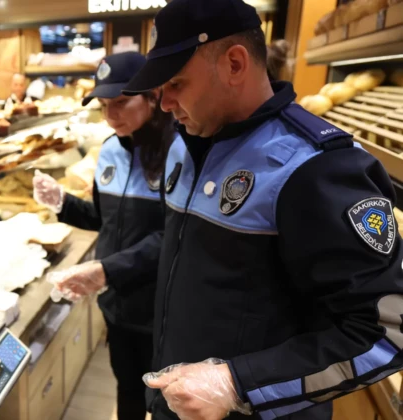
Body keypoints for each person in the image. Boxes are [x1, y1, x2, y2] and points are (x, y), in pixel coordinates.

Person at [118, 0, 403, 419]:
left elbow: (386, 333)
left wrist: (236, 383)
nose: (163, 104)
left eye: (177, 83)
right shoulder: (188, 146)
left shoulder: (316, 168)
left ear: (235, 64)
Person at [33, 52, 178, 419]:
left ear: (153, 96)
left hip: (160, 309)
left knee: (163, 400)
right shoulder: (110, 149)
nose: (111, 115)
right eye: (103, 106)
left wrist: (106, 270)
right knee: (126, 387)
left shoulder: (179, 151)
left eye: (121, 103)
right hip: (118, 305)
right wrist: (62, 203)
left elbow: (172, 237)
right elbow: (105, 220)